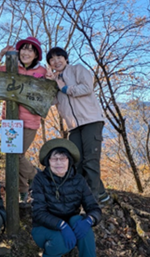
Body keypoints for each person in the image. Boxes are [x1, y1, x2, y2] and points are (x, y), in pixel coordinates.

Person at [0, 37, 46, 203]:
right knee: (13, 156)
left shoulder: (42, 72)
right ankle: (23, 193)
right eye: (23, 49)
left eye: (30, 50)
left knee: (17, 154)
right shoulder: (11, 68)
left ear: (36, 55)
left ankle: (37, 178)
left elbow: (48, 93)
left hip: (30, 121)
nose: (26, 52)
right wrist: (1, 53)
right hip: (10, 120)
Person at [45, 47, 109, 204]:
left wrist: (65, 88)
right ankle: (99, 194)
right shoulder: (54, 80)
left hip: (91, 121)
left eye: (59, 57)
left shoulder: (77, 69)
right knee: (76, 161)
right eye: (52, 59)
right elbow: (52, 101)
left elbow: (87, 88)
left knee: (91, 160)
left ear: (66, 59)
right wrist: (48, 83)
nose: (56, 61)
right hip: (73, 126)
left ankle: (92, 201)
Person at [32, 138, 102, 257]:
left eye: (63, 158)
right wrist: (61, 225)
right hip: (44, 227)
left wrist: (90, 220)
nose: (59, 162)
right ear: (48, 161)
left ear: (69, 160)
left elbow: (94, 208)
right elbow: (38, 212)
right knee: (60, 242)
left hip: (70, 223)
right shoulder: (40, 179)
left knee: (81, 223)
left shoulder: (79, 180)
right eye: (54, 159)